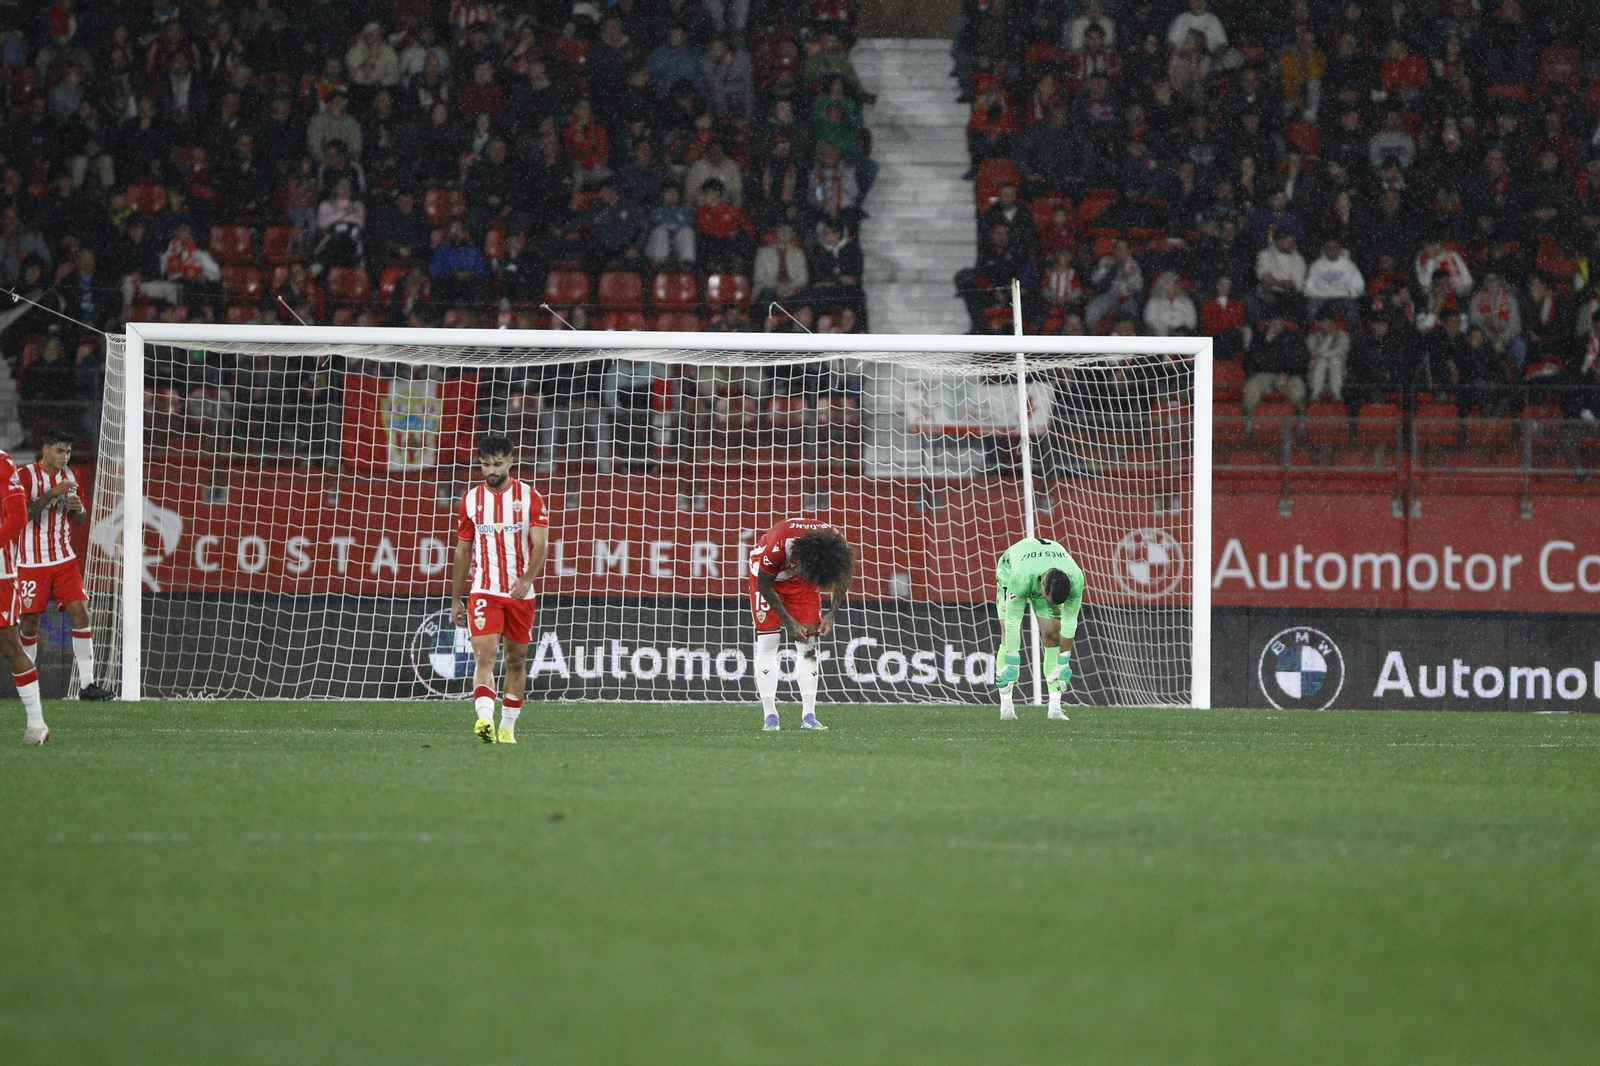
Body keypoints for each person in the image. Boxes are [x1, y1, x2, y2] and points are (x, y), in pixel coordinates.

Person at [450, 434, 549, 745]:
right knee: (484, 657)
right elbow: (462, 551)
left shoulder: (529, 497)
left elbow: (541, 545)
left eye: (496, 464)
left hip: (520, 594)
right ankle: (484, 720)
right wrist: (456, 599)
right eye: (484, 465)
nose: (490, 471)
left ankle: (507, 727)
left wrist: (527, 579)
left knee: (516, 661)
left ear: (510, 461)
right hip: (485, 590)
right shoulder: (471, 500)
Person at [16, 429, 111, 700]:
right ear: (45, 449)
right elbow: (22, 516)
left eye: (68, 451)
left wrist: (77, 509)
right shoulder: (25, 476)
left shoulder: (73, 476)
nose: (65, 456)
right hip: (31, 562)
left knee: (80, 612)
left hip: (64, 559)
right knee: (31, 623)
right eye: (59, 450)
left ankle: (88, 685)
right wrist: (50, 494)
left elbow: (79, 520)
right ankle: (28, 686)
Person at [747, 519, 854, 731]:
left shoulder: (836, 544)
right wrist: (788, 621)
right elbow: (763, 584)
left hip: (801, 586)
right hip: (766, 578)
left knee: (809, 645)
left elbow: (844, 575)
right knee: (768, 642)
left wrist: (831, 615)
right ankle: (770, 716)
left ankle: (809, 715)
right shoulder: (780, 544)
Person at [993, 536, 1084, 722]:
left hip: (1041, 572)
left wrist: (1064, 662)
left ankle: (1055, 707)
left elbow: (1070, 622)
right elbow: (1013, 621)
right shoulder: (1020, 577)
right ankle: (1007, 707)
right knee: (1009, 632)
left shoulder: (1076, 578)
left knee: (1052, 633)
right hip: (1010, 572)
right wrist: (1012, 662)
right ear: (1042, 585)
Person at [0, 443, 46, 743]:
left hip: (0, 573)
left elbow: (17, 518)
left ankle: (36, 723)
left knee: (10, 646)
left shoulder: (3, 463)